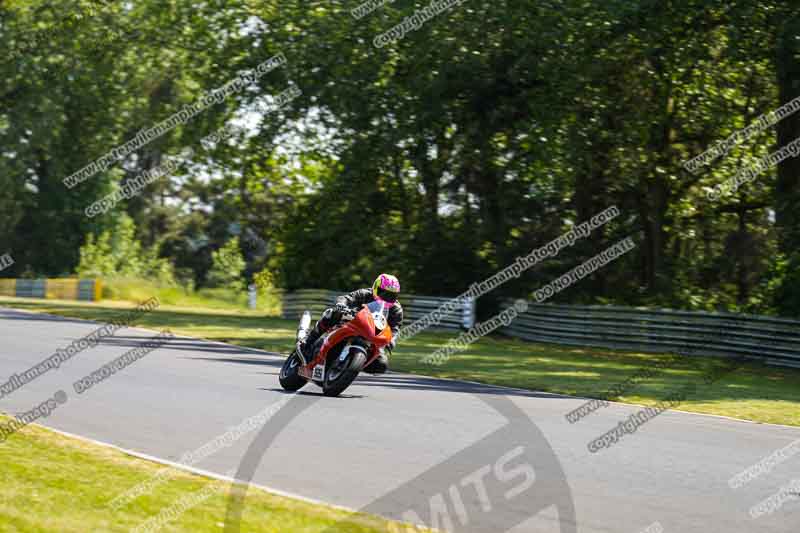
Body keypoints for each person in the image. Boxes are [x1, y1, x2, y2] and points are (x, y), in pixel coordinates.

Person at [297, 274, 403, 374]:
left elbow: (395, 328)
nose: (386, 297)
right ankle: (307, 342)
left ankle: (348, 367)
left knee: (381, 365)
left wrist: (391, 340)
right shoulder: (365, 293)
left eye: (391, 295)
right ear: (376, 288)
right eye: (383, 292)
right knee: (332, 313)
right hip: (351, 321)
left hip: (372, 335)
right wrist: (341, 304)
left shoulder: (396, 310)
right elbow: (346, 298)